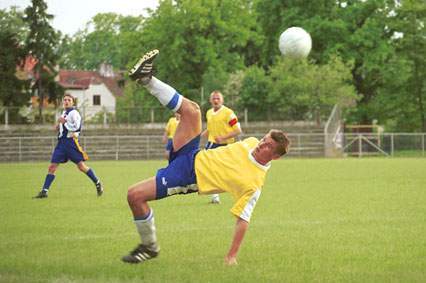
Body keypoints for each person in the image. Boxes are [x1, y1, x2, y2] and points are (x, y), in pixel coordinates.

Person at [123, 49, 290, 265]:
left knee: (134, 195)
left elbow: (243, 220)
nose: (261, 144)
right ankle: (146, 79)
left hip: (186, 176)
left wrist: (231, 256)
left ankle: (149, 246)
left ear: (275, 157)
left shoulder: (254, 183)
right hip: (192, 153)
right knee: (192, 110)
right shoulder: (250, 142)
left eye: (267, 146)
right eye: (263, 139)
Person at [33, 94, 104, 199]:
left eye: (68, 100)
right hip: (61, 143)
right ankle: (44, 191)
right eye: (64, 100)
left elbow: (77, 127)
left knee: (81, 166)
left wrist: (64, 122)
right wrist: (59, 126)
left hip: (70, 143)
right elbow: (65, 125)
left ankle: (97, 182)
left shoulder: (74, 113)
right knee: (52, 167)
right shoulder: (64, 112)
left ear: (72, 102)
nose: (66, 101)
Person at [202, 90, 242, 204]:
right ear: (210, 100)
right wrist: (197, 137)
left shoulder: (228, 113)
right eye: (213, 98)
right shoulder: (209, 113)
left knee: (225, 171)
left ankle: (239, 189)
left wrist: (223, 137)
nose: (215, 100)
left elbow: (238, 130)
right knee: (210, 169)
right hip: (212, 144)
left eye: (218, 98)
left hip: (226, 145)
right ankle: (215, 197)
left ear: (222, 100)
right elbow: (209, 129)